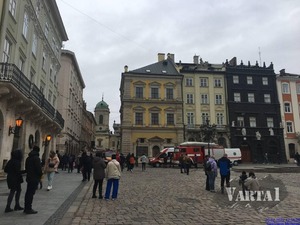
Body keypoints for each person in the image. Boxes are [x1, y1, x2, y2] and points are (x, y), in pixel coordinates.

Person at [24, 146, 43, 214]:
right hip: (34, 178)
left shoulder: (28, 158)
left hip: (29, 177)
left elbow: (26, 168)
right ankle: (28, 208)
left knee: (28, 193)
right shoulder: (36, 158)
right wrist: (40, 175)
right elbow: (38, 169)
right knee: (31, 193)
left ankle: (26, 207)